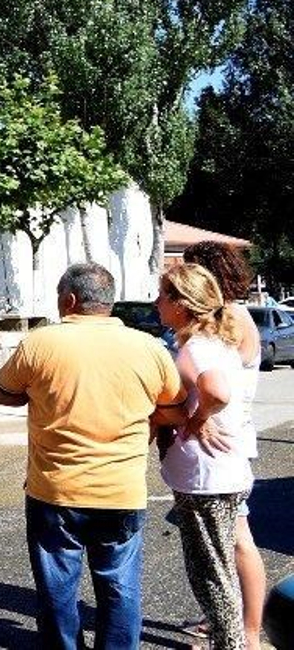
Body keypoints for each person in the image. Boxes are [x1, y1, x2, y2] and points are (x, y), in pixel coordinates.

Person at [0, 262, 186, 650]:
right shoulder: (149, 348)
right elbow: (176, 409)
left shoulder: (41, 343)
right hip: (122, 491)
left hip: (55, 491)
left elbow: (0, 392)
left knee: (57, 589)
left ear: (70, 300)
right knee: (120, 587)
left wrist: (36, 394)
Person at [154, 263, 254, 650]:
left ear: (182, 304)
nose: (157, 303)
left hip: (207, 478)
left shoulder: (194, 349)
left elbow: (216, 390)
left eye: (163, 296)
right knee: (216, 569)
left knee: (212, 576)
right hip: (220, 474)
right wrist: (194, 415)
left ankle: (229, 645)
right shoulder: (215, 344)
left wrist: (197, 419)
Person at [182, 241, 266, 648]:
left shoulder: (230, 317)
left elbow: (217, 384)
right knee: (229, 541)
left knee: (236, 541)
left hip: (223, 441)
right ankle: (228, 621)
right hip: (232, 438)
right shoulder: (232, 315)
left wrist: (197, 417)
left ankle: (245, 632)